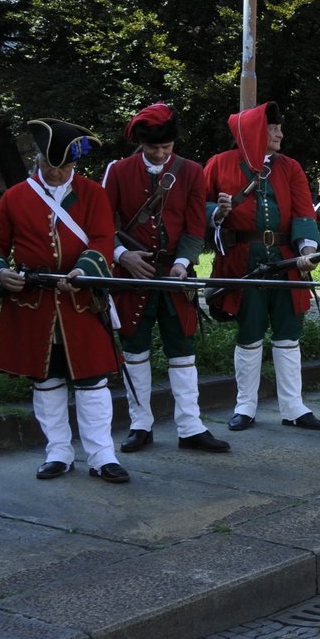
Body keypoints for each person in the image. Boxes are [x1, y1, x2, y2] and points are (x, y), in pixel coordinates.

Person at [0, 119, 126, 482]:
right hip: (33, 304)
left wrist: (85, 270)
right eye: (50, 165)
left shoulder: (92, 194)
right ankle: (58, 452)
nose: (57, 174)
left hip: (81, 302)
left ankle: (102, 456)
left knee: (92, 383)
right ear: (38, 158)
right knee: (46, 382)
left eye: (65, 167)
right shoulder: (15, 196)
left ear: (76, 163)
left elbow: (103, 240)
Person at [102, 103, 228, 454]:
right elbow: (101, 225)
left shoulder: (191, 171)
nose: (160, 154)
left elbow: (193, 227)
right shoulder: (118, 171)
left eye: (167, 148)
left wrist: (184, 263)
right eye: (153, 148)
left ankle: (190, 426)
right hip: (132, 276)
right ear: (140, 143)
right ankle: (140, 425)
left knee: (183, 351)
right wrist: (121, 255)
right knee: (135, 350)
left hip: (175, 276)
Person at [204, 101, 320, 433]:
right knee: (249, 333)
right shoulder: (219, 164)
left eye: (279, 128)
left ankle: (294, 407)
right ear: (257, 130)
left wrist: (307, 250)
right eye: (274, 128)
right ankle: (245, 406)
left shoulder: (290, 167)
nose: (280, 134)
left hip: (286, 260)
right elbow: (200, 206)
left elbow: (304, 213)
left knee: (288, 334)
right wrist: (218, 212)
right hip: (243, 260)